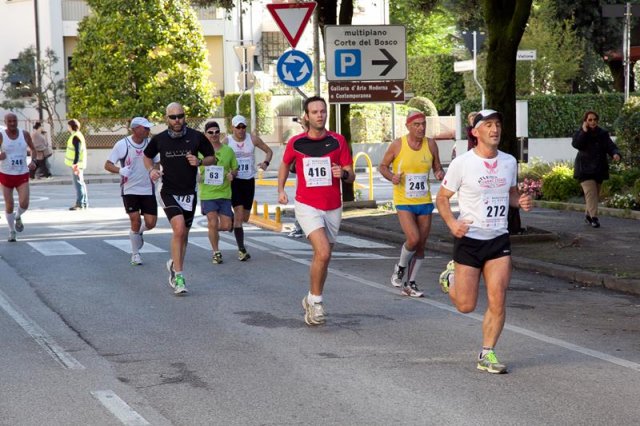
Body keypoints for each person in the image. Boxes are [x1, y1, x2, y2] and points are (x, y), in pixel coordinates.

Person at [435, 109, 533, 374]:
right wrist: (452, 224)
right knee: (466, 306)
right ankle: (450, 278)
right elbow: (441, 198)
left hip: (498, 239)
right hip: (470, 239)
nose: (495, 130)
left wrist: (520, 201)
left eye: (498, 125)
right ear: (476, 132)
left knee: (498, 298)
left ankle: (487, 353)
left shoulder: (509, 162)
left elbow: (511, 195)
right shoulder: (462, 163)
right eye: (488, 125)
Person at [277, 96, 355, 326]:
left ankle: (311, 298)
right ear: (307, 116)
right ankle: (318, 303)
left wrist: (344, 174)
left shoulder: (338, 141)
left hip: (332, 205)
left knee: (324, 257)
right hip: (307, 204)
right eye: (315, 112)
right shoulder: (296, 142)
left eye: (323, 111)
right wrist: (280, 189)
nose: (320, 115)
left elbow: (350, 172)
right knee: (323, 252)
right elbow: (284, 164)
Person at [144, 103, 216, 295]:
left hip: (189, 192)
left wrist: (200, 161)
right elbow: (147, 156)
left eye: (180, 116)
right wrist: (151, 170)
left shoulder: (195, 137)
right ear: (166, 118)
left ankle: (174, 266)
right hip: (167, 191)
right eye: (173, 117)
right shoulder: (159, 139)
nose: (177, 120)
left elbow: (212, 158)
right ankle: (179, 278)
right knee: (179, 228)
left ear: (185, 116)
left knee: (184, 236)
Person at [379, 111, 445, 297]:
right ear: (408, 126)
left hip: (424, 200)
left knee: (422, 244)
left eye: (423, 124)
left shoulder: (431, 144)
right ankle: (400, 266)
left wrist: (440, 174)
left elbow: (437, 167)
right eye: (416, 124)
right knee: (413, 239)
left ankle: (411, 283)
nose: (421, 127)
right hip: (404, 201)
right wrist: (392, 177)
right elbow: (382, 166)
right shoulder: (398, 144)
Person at [104, 117, 159, 265]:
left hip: (148, 188)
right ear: (135, 129)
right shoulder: (123, 145)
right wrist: (120, 170)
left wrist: (156, 171)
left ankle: (138, 233)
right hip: (130, 189)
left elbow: (158, 161)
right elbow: (108, 165)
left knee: (151, 222)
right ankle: (135, 254)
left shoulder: (151, 143)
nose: (148, 130)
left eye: (148, 128)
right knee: (135, 220)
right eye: (145, 128)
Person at [224, 114, 273, 261]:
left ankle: (232, 219)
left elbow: (269, 151)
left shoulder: (252, 139)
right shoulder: (227, 141)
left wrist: (265, 163)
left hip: (249, 181)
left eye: (243, 126)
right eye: (237, 127)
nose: (240, 130)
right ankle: (241, 250)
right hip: (235, 182)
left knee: (244, 217)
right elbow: (217, 156)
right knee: (239, 214)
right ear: (232, 127)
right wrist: (227, 172)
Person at [571, 111, 621, 228]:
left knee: (595, 194)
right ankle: (594, 218)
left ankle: (588, 215)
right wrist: (584, 131)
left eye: (594, 119)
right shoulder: (580, 133)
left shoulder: (602, 133)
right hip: (584, 169)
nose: (592, 122)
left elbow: (610, 146)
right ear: (585, 121)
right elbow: (577, 144)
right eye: (590, 120)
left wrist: (615, 154)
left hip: (599, 168)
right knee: (591, 193)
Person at [198, 120, 237, 264]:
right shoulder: (200, 152)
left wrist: (232, 174)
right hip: (208, 195)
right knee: (213, 221)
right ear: (206, 134)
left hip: (225, 194)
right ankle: (216, 252)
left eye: (216, 132)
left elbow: (235, 168)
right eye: (210, 132)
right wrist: (198, 177)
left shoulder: (228, 150)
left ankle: (211, 231)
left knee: (226, 226)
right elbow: (192, 169)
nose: (214, 135)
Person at [0, 113, 37, 242]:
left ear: (17, 121)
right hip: (6, 174)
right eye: (9, 121)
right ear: (5, 122)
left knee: (25, 203)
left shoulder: (24, 134)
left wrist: (33, 161)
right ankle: (11, 231)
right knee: (9, 204)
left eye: (14, 121)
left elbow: (33, 149)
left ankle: (17, 216)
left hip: (22, 173)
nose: (12, 123)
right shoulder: (1, 135)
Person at [65, 119, 88, 210]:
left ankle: (79, 203)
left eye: (68, 126)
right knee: (81, 183)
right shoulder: (78, 135)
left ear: (71, 126)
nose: (67, 127)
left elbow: (77, 152)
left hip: (77, 165)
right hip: (79, 164)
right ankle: (84, 203)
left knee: (78, 183)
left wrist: (75, 164)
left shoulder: (75, 137)